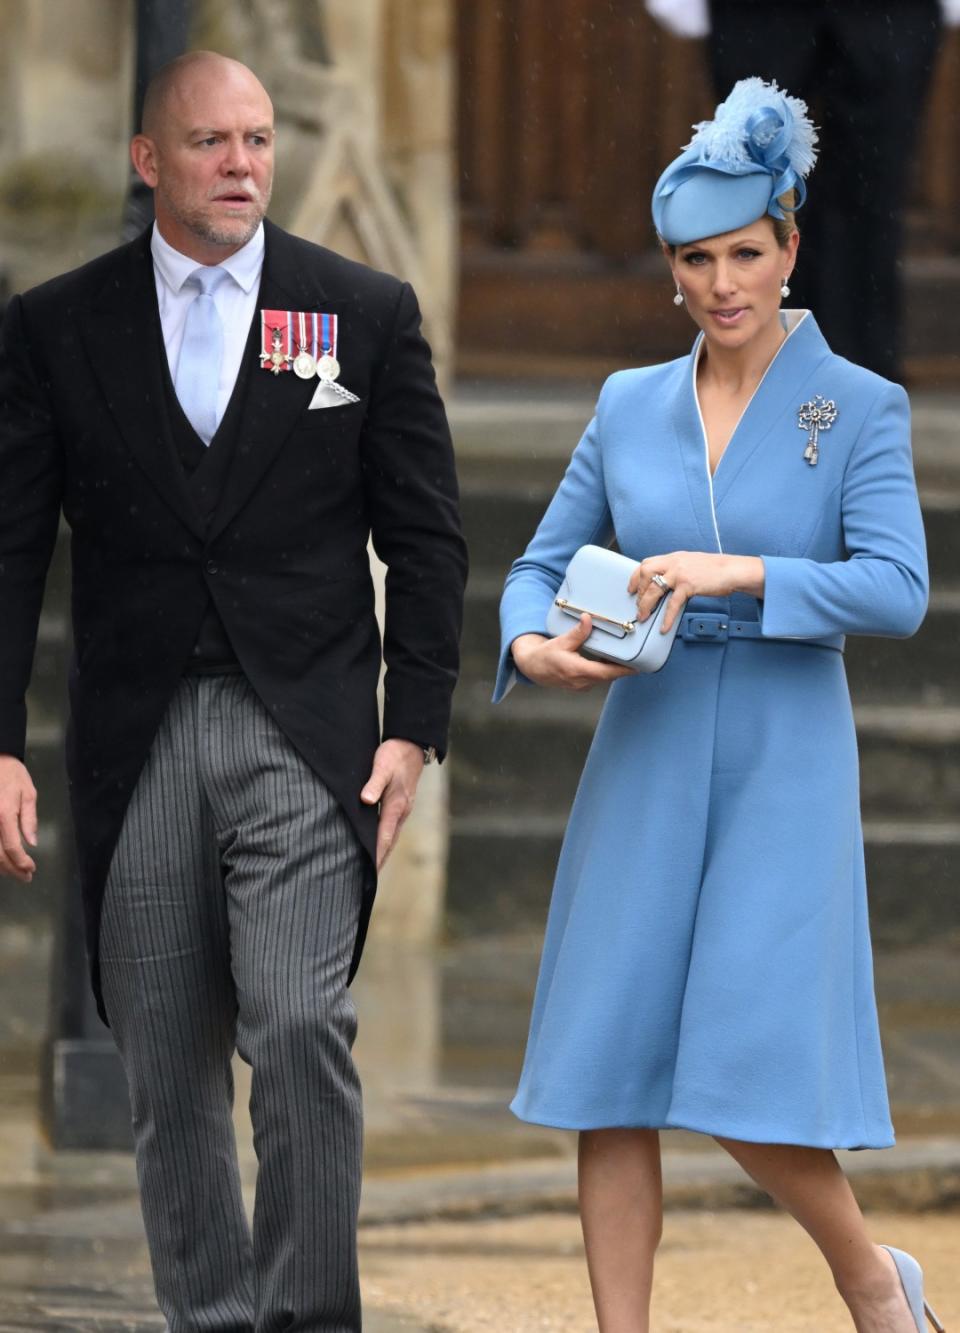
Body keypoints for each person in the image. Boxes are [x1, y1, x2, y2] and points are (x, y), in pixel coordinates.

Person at [0, 51, 466, 1333]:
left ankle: (310, 1318)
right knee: (165, 1064)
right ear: (149, 159)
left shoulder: (360, 312)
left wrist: (415, 726)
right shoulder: (56, 323)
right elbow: (10, 547)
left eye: (258, 140)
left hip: (306, 732)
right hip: (134, 734)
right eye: (211, 143)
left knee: (304, 1021)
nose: (243, 165)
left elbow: (427, 538)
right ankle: (208, 1317)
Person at [495, 79, 939, 1333]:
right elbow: (535, 564)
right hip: (646, 742)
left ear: (792, 248)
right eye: (698, 258)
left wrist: (745, 570)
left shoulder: (857, 406)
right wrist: (531, 643)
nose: (724, 282)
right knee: (610, 1071)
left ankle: (869, 1276)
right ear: (671, 269)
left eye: (748, 252)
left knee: (751, 1075)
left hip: (786, 752)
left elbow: (899, 589)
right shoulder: (628, 402)